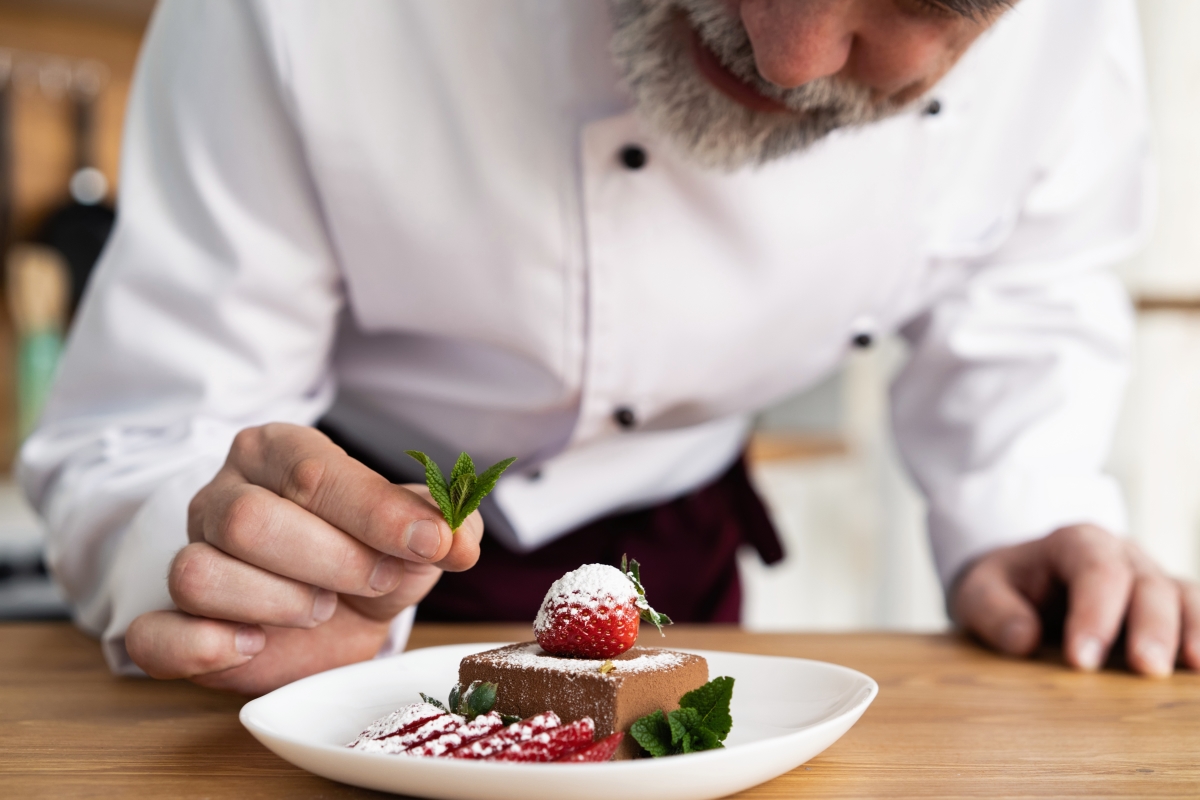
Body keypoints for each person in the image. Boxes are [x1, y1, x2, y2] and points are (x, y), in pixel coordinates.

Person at [20, 0, 1199, 695]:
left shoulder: (1073, 34)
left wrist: (1026, 518)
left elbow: (1028, 295)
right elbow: (150, 428)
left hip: (689, 584)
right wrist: (232, 570)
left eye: (928, 3)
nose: (786, 53)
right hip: (340, 591)